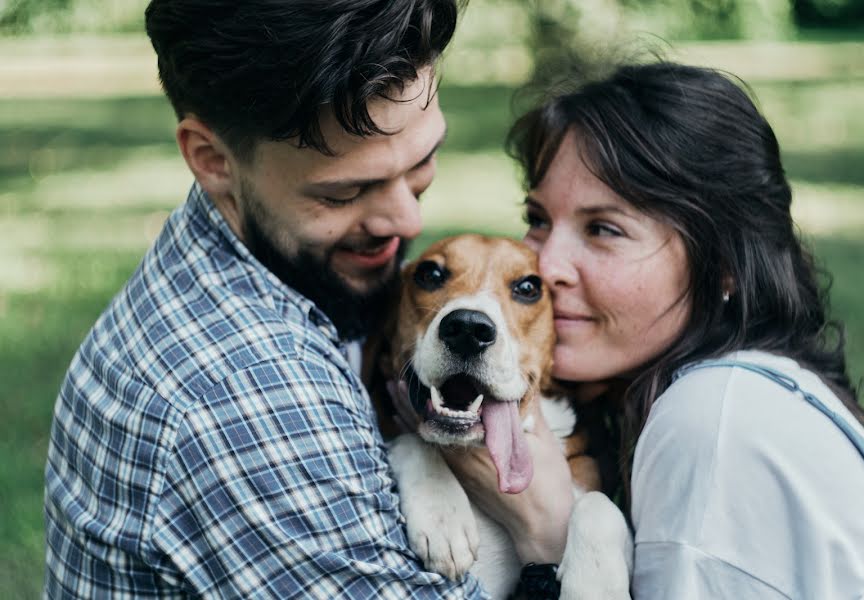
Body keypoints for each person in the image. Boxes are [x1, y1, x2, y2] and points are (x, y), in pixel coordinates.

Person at [42, 1, 572, 597]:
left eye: (423, 161)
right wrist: (548, 544)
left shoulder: (241, 261)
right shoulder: (254, 400)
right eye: (345, 190)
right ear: (213, 162)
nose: (407, 218)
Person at [446, 61, 864, 599]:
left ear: (724, 265)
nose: (543, 266)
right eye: (539, 218)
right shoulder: (710, 396)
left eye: (603, 229)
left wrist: (548, 540)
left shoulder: (714, 425)